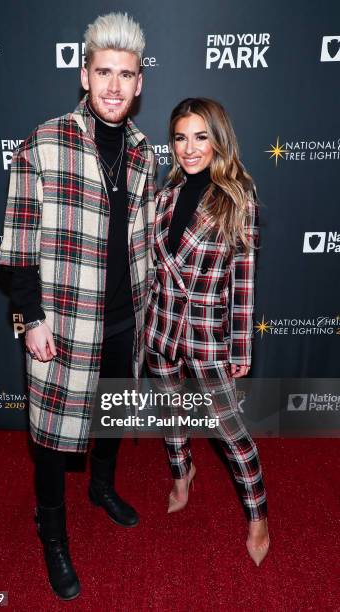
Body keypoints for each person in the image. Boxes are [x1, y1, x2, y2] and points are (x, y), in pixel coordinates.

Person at [0, 13, 156, 600]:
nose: (114, 86)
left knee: (112, 412)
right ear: (84, 75)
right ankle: (53, 533)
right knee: (50, 433)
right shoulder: (43, 142)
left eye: (126, 75)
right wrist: (30, 318)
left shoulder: (143, 152)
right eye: (103, 72)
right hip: (61, 320)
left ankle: (102, 487)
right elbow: (17, 242)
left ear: (140, 84)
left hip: (124, 317)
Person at [145, 97, 270, 566]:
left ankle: (258, 516)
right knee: (173, 416)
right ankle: (182, 476)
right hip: (160, 330)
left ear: (219, 139)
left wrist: (240, 344)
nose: (189, 148)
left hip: (206, 334)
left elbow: (244, 278)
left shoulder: (238, 199)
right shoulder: (165, 195)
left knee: (232, 433)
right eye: (180, 137)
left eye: (201, 137)